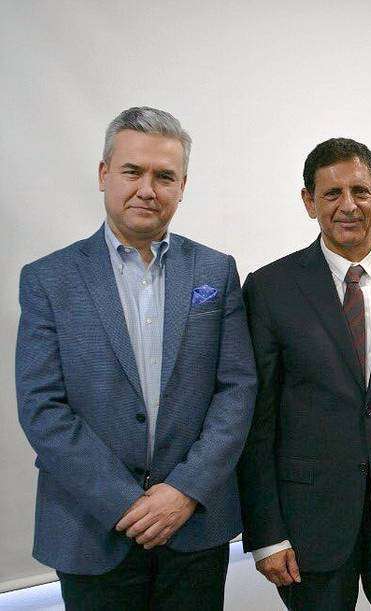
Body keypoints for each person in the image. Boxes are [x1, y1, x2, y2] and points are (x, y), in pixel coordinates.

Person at [14, 106, 257, 609]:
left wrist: (184, 490)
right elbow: (43, 408)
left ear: (182, 185)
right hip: (90, 527)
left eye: (164, 176)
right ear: (105, 174)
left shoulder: (216, 270)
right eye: (132, 171)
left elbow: (237, 389)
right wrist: (125, 503)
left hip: (193, 525)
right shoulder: (49, 279)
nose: (148, 188)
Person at [237, 137, 371, 610]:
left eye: (360, 191)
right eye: (332, 194)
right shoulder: (270, 288)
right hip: (308, 525)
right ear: (308, 202)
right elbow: (257, 422)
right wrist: (266, 533)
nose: (348, 206)